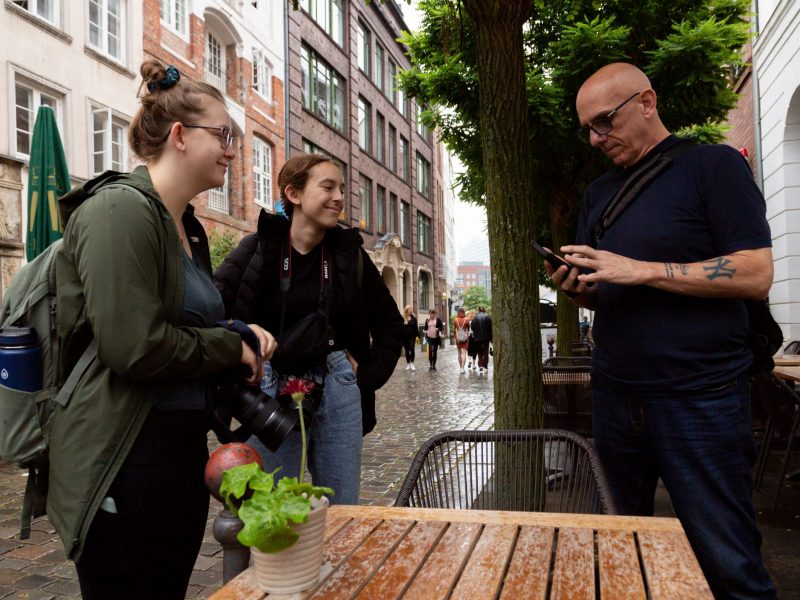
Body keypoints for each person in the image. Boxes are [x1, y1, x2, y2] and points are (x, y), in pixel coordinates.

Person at [546, 62, 776, 599]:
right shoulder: (599, 192)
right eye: (588, 130)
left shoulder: (713, 167)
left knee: (728, 562)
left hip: (700, 398)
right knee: (617, 554)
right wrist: (580, 288)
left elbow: (755, 272)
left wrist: (640, 269)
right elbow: (605, 286)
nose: (596, 139)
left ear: (647, 102)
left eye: (604, 122)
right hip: (615, 394)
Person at [48, 61, 276, 598]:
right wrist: (229, 345)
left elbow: (187, 325)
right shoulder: (119, 211)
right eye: (222, 135)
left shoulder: (187, 227)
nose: (231, 149)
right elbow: (134, 346)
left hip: (175, 452)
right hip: (122, 457)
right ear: (179, 136)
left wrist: (239, 333)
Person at [214, 154, 403, 505]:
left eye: (342, 189)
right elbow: (211, 312)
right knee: (272, 509)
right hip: (270, 388)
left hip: (338, 388)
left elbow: (392, 325)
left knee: (341, 508)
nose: (339, 197)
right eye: (328, 187)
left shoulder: (349, 256)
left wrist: (368, 374)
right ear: (294, 193)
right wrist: (244, 331)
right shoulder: (258, 249)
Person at [470, 306, 492, 374]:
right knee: (485, 352)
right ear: (484, 310)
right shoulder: (487, 317)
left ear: (478, 310)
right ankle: (485, 367)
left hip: (477, 338)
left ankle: (480, 366)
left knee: (479, 352)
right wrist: (491, 338)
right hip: (486, 338)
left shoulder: (475, 318)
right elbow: (490, 328)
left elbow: (472, 328)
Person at [453, 308, 470, 372]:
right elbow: (468, 328)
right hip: (465, 338)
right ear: (464, 312)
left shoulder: (455, 320)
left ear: (458, 312)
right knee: (464, 353)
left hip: (458, 338)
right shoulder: (466, 320)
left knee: (459, 353)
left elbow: (455, 329)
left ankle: (460, 368)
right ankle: (463, 368)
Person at [402, 304, 418, 371]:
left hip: (412, 337)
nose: (411, 311)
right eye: (409, 309)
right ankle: (408, 364)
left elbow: (415, 327)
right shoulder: (403, 318)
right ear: (406, 310)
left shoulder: (413, 318)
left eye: (411, 309)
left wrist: (417, 336)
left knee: (412, 349)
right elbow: (401, 328)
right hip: (405, 337)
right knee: (407, 350)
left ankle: (412, 363)